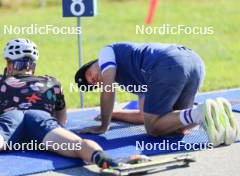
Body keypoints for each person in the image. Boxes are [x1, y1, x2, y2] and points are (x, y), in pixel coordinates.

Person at [0, 39, 118, 168]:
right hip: (41, 120)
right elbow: (62, 120)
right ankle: (101, 158)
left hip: (10, 118)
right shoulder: (52, 83)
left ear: (9, 64)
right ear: (33, 65)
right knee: (77, 145)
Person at [75, 42, 239, 146]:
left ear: (93, 63)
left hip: (168, 64)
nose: (93, 79)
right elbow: (143, 116)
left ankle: (199, 113)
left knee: (153, 129)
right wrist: (115, 114)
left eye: (89, 74)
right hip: (194, 62)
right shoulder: (133, 74)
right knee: (174, 126)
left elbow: (108, 88)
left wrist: (104, 125)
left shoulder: (106, 52)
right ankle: (208, 111)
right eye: (93, 84)